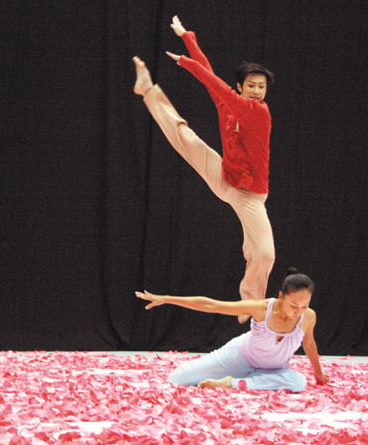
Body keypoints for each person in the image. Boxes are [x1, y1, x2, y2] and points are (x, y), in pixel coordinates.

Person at [133, 16, 275, 323]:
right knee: (186, 138)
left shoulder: (259, 112)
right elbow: (210, 74)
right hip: (225, 177)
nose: (256, 91)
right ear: (240, 87)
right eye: (251, 86)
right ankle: (147, 90)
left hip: (250, 196)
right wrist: (187, 37)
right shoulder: (229, 104)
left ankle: (250, 306)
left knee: (264, 254)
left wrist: (186, 62)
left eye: (261, 87)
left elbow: (215, 84)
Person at [135, 269, 328, 392]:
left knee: (298, 382)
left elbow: (309, 343)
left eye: (304, 306)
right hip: (239, 358)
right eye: (294, 305)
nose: (298, 311)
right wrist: (167, 299)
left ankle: (232, 383)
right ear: (281, 297)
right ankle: (250, 379)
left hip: (273, 369)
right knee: (177, 378)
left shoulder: (308, 316)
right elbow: (212, 306)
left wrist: (318, 372)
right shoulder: (261, 309)